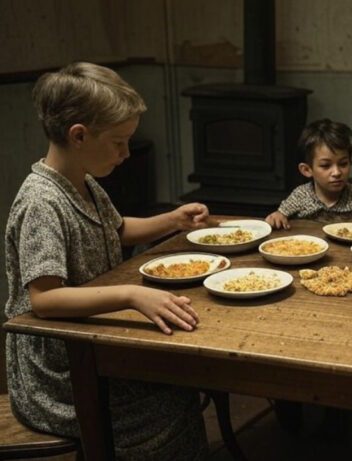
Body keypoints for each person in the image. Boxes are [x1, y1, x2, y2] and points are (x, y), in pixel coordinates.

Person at [4, 62, 209, 460]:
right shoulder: (41, 202)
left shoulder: (82, 181)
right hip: (59, 373)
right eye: (119, 142)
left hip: (94, 343)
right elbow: (44, 300)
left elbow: (113, 230)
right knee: (166, 401)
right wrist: (131, 295)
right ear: (78, 135)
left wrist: (172, 220)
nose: (127, 153)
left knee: (178, 380)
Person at [265, 118, 352, 229]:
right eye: (326, 166)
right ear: (307, 170)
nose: (336, 172)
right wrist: (277, 217)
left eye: (343, 164)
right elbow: (280, 215)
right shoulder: (301, 195)